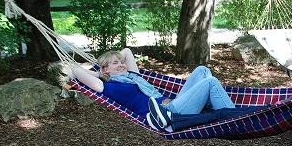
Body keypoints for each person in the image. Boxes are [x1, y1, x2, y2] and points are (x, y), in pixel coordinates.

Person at [147, 63, 292, 132]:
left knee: (211, 81)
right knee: (203, 70)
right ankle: (176, 104)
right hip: (268, 110)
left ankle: (171, 113)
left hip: (256, 117)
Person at [71, 48, 236, 117]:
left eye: (121, 62)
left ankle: (217, 106)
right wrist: (96, 72)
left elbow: (127, 52)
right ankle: (233, 117)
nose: (122, 64)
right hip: (169, 113)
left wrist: (108, 65)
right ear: (105, 70)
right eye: (116, 63)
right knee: (211, 82)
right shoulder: (109, 86)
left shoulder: (132, 75)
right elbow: (89, 79)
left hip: (174, 102)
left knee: (202, 70)